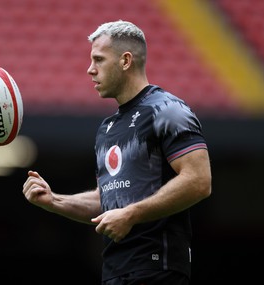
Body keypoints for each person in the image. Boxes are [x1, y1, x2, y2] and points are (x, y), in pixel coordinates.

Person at [23, 20, 212, 285]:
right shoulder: (107, 128)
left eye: (99, 60)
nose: (90, 70)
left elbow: (199, 181)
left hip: (159, 268)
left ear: (125, 61)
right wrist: (54, 201)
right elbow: (109, 200)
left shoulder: (168, 110)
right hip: (114, 271)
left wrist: (131, 214)